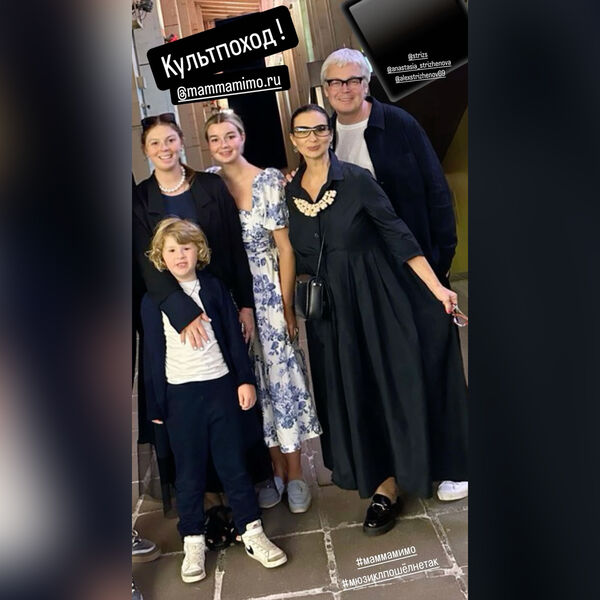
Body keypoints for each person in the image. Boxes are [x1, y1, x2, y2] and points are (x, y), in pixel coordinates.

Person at [285, 104, 468, 536]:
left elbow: (397, 234)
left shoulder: (357, 180)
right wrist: (286, 310)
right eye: (303, 131)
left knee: (393, 380)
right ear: (293, 139)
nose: (312, 137)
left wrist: (437, 288)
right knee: (355, 391)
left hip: (378, 297)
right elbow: (288, 252)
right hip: (332, 315)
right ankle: (383, 485)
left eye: (320, 129)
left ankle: (419, 466)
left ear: (330, 134)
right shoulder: (288, 193)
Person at [322, 48, 467, 501]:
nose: (345, 89)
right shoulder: (323, 136)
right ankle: (399, 464)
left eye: (353, 80)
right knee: (387, 369)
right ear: (325, 90)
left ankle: (453, 465)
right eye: (335, 82)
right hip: (364, 276)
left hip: (416, 266)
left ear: (367, 83)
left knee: (433, 359)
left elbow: (436, 190)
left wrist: (440, 262)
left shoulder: (400, 125)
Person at [133, 113, 275, 539]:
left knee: (228, 395)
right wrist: (182, 311)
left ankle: (245, 486)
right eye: (155, 143)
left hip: (218, 303)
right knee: (185, 405)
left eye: (170, 140)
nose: (164, 149)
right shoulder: (139, 198)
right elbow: (144, 261)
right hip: (167, 309)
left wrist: (244, 305)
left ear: (181, 142)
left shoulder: (210, 187)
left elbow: (233, 250)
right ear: (145, 150)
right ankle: (208, 502)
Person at [142, 217, 287, 582]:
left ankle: (252, 530)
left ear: (199, 251)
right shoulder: (154, 300)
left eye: (186, 248)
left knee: (233, 465)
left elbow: (234, 339)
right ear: (160, 256)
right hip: (181, 396)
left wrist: (244, 380)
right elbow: (151, 356)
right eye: (171, 250)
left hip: (221, 387)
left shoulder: (214, 287)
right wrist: (156, 405)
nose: (180, 256)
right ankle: (193, 540)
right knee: (189, 473)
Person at [203, 110, 322, 514]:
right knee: (250, 383)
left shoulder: (269, 180)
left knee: (282, 380)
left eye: (230, 135)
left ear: (242, 137)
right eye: (215, 138)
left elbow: (285, 249)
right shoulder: (208, 183)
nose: (223, 144)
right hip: (229, 298)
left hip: (268, 294)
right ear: (208, 145)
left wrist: (286, 307)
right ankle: (271, 470)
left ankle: (296, 473)